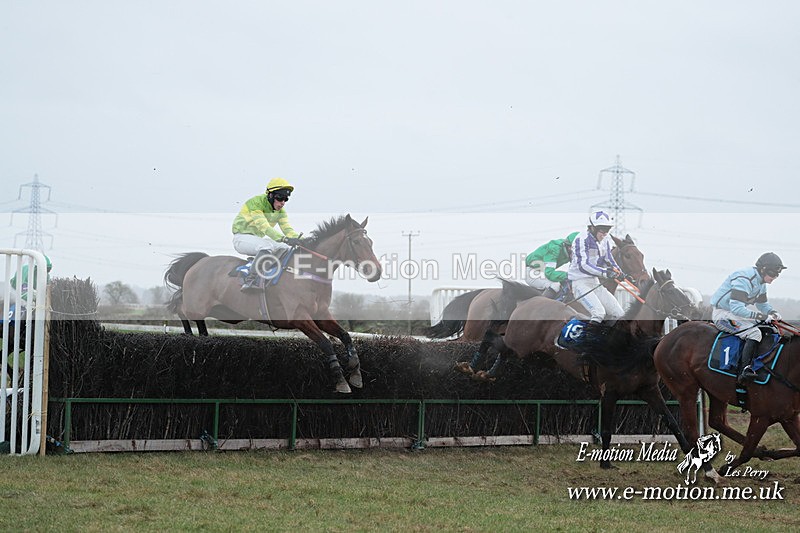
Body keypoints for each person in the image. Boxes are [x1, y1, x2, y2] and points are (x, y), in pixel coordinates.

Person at [710, 252, 786, 383]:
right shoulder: (744, 279)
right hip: (722, 314)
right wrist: (762, 316)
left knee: (771, 329)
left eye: (777, 274)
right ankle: (744, 370)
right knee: (754, 333)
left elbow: (762, 304)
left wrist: (772, 312)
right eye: (773, 274)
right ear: (763, 269)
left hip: (734, 313)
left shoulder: (760, 282)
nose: (775, 277)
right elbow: (737, 308)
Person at [232, 178, 302, 291]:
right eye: (280, 198)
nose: (282, 202)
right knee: (266, 246)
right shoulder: (255, 203)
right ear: (270, 195)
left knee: (285, 248)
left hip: (256, 239)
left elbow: (288, 230)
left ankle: (269, 272)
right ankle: (250, 280)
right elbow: (264, 227)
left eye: (286, 199)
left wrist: (304, 240)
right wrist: (283, 238)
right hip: (241, 238)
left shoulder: (281, 212)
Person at [567, 211, 626, 323]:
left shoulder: (605, 241)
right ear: (592, 228)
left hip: (594, 282)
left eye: (607, 230)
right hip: (579, 283)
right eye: (602, 230)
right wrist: (605, 272)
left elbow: (609, 259)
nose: (604, 234)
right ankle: (589, 339)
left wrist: (619, 271)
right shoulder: (581, 239)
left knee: (619, 314)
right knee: (599, 313)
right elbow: (584, 266)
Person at [525, 231, 579, 299]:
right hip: (532, 273)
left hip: (543, 272)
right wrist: (570, 275)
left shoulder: (568, 250)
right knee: (555, 285)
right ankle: (541, 307)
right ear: (569, 247)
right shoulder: (554, 249)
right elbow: (549, 273)